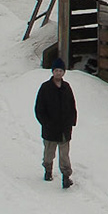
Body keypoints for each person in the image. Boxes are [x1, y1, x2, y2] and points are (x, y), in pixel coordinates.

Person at [36, 56, 77, 189]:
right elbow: (39, 108)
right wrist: (45, 123)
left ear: (64, 72)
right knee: (49, 152)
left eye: (61, 70)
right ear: (52, 72)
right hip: (50, 128)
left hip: (64, 128)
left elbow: (72, 105)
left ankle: (66, 176)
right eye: (56, 70)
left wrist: (72, 122)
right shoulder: (45, 88)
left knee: (64, 154)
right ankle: (48, 170)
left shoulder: (66, 87)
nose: (58, 73)